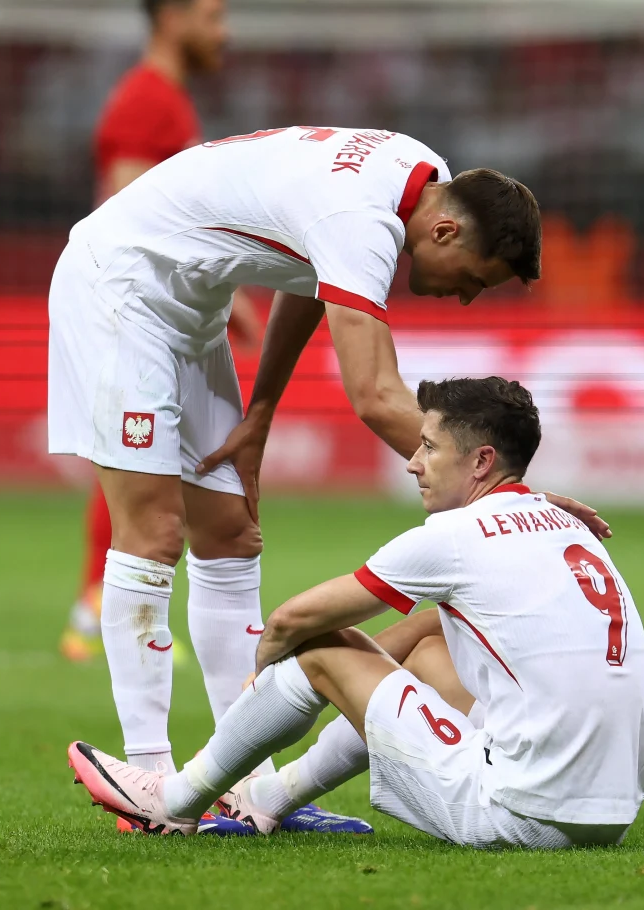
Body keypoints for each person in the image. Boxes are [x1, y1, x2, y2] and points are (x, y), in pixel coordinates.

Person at [47, 125, 611, 781]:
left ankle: (240, 783)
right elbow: (375, 394)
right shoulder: (364, 217)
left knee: (230, 532)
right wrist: (509, 503)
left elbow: (313, 268)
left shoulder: (422, 172)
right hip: (119, 286)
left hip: (190, 306)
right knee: (153, 529)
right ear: (446, 234)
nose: (464, 297)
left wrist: (259, 415)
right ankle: (148, 774)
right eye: (475, 281)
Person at [66, 377, 644, 847]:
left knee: (320, 646)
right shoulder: (565, 525)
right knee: (427, 649)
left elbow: (293, 621)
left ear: (480, 462)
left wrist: (269, 677)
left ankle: (173, 802)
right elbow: (429, 629)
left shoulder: (454, 535)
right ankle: (266, 800)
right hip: (611, 812)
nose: (412, 463)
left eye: (429, 447)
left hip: (520, 813)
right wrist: (366, 679)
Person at [59, 0, 265, 667]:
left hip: (156, 302)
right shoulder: (147, 102)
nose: (224, 30)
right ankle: (99, 604)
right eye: (212, 14)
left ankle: (105, 602)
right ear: (172, 16)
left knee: (146, 453)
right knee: (137, 454)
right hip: (134, 305)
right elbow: (126, 211)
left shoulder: (164, 99)